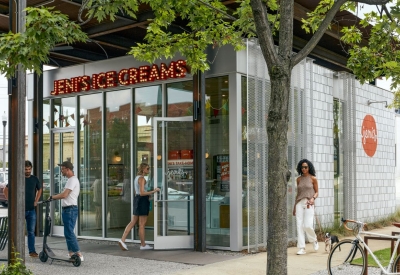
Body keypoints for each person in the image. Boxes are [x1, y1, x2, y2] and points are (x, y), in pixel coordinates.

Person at [47, 161, 84, 262]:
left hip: (70, 209)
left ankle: (78, 253)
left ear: (68, 169)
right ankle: (71, 253)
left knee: (69, 232)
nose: (61, 171)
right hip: (68, 209)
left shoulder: (72, 180)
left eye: (62, 169)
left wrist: (52, 197)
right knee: (67, 232)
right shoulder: (71, 180)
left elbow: (64, 195)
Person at [4, 160, 42, 258]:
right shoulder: (18, 178)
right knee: (18, 232)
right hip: (20, 210)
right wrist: (11, 202)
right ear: (22, 169)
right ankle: (16, 252)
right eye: (26, 169)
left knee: (31, 232)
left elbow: (40, 189)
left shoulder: (35, 179)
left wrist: (36, 201)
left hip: (31, 210)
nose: (28, 171)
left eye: (29, 169)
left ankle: (32, 251)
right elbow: (5, 189)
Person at [118, 163, 160, 251]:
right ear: (143, 169)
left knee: (133, 222)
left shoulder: (136, 178)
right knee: (142, 224)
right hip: (142, 200)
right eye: (148, 168)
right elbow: (142, 192)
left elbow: (136, 192)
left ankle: (122, 240)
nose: (149, 170)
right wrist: (154, 191)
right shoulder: (142, 179)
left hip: (137, 200)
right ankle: (143, 245)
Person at [292, 158, 319, 255]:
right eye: (302, 167)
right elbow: (298, 193)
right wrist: (295, 207)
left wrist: (313, 199)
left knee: (307, 225)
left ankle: (314, 240)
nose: (304, 169)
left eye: (306, 167)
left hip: (309, 203)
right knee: (299, 225)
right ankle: (302, 247)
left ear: (309, 167)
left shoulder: (313, 178)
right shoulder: (298, 179)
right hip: (299, 203)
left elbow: (317, 192)